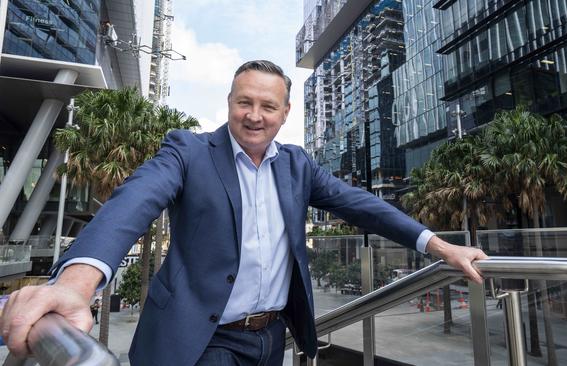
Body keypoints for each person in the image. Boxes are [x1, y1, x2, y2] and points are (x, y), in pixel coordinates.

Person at [0, 60, 487, 365]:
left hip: (271, 339)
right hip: (204, 339)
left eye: (267, 106)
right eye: (244, 103)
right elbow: (133, 203)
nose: (255, 116)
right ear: (229, 103)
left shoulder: (298, 165)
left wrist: (440, 246)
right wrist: (74, 285)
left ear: (285, 113)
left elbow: (364, 206)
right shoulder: (188, 151)